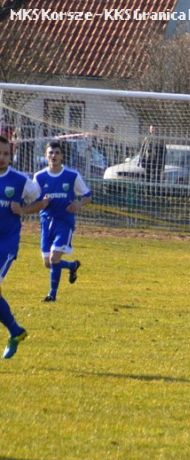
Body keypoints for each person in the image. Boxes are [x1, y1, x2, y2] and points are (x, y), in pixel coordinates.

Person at [0, 135, 42, 358]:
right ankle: (16, 331)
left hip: (5, 244)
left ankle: (15, 331)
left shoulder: (20, 180)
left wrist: (24, 210)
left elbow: (42, 200)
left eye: (6, 154)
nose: (2, 157)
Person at [34, 141, 91, 303]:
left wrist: (78, 204)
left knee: (54, 257)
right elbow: (33, 199)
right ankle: (72, 266)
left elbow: (88, 196)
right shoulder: (39, 177)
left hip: (65, 222)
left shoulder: (72, 176)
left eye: (57, 153)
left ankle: (52, 295)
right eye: (51, 153)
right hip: (46, 222)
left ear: (62, 156)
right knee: (48, 263)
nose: (54, 156)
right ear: (46, 156)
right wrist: (42, 203)